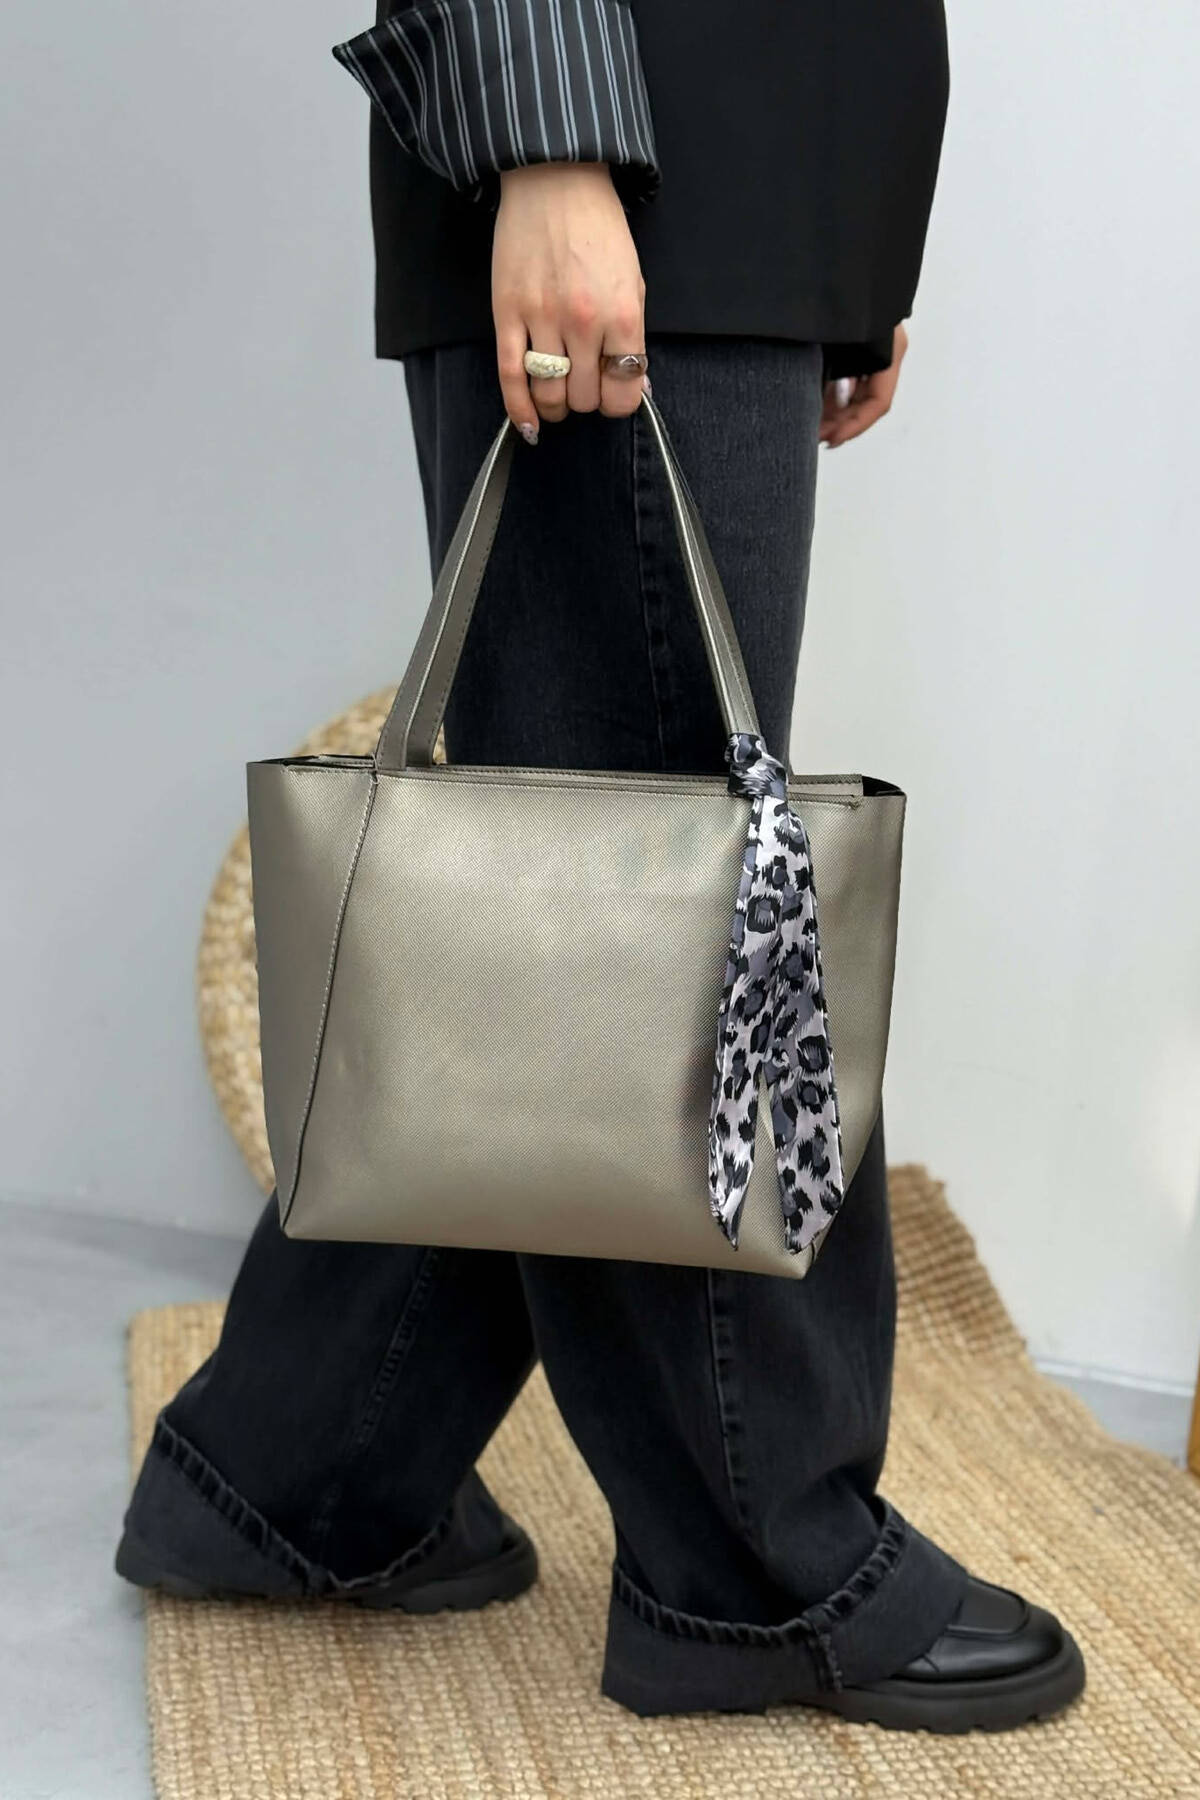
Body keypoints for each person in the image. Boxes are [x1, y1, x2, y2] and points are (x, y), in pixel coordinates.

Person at [115, 0, 1086, 1731]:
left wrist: (844, 238)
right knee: (673, 902)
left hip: (733, 181)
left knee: (581, 931)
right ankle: (759, 1568)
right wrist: (548, 139)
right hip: (622, 145)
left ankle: (294, 1466)